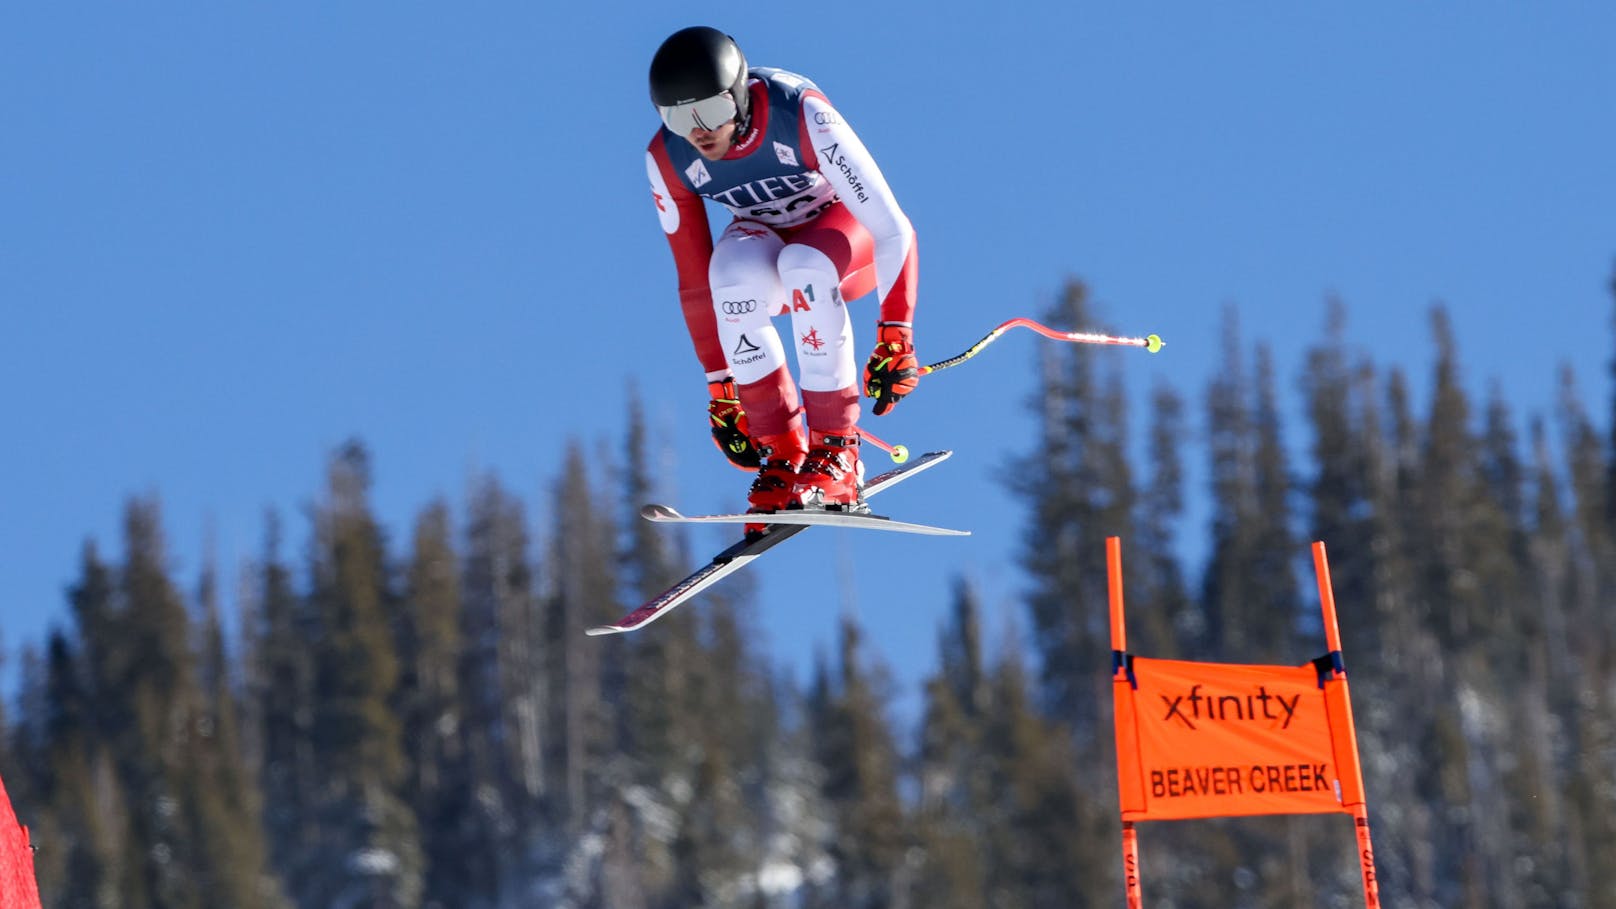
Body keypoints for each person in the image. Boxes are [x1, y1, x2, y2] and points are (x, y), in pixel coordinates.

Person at [644, 26, 920, 524]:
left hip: (842, 237)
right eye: (677, 116)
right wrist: (721, 388)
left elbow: (892, 227)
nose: (698, 130)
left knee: (805, 267)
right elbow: (692, 282)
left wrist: (895, 333)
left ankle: (838, 450)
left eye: (710, 110)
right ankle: (784, 453)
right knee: (727, 276)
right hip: (766, 239)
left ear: (739, 94)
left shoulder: (800, 114)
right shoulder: (668, 157)